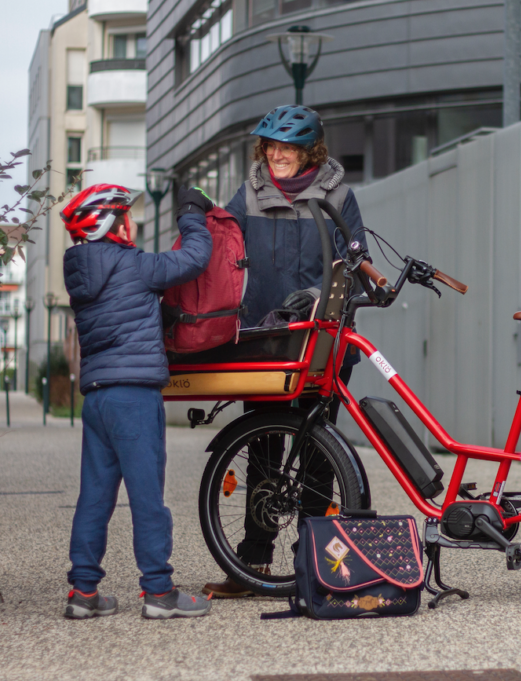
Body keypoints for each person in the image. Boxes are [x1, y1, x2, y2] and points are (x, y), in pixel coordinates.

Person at [202, 104, 367, 598]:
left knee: (319, 456)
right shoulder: (248, 196)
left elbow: (355, 262)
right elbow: (217, 248)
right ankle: (251, 565)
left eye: (288, 149)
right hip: (267, 342)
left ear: (308, 151)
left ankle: (312, 570)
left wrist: (320, 297)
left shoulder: (339, 195)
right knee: (263, 455)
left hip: (321, 340)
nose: (278, 156)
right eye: (272, 147)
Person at [61, 183, 213, 619]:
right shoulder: (134, 265)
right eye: (126, 217)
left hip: (97, 398)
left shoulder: (80, 272)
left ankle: (84, 593)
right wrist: (191, 213)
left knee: (95, 496)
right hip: (134, 396)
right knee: (148, 497)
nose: (132, 224)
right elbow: (194, 259)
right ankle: (159, 593)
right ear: (112, 224)